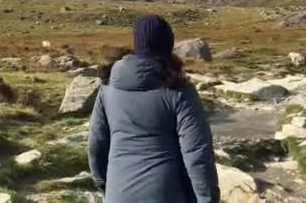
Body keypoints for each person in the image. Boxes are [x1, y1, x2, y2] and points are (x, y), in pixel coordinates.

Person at [88, 15, 220, 203]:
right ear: (168, 46)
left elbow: (96, 144)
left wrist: (104, 185)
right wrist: (207, 199)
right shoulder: (180, 92)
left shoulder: (108, 89)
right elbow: (197, 154)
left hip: (117, 193)